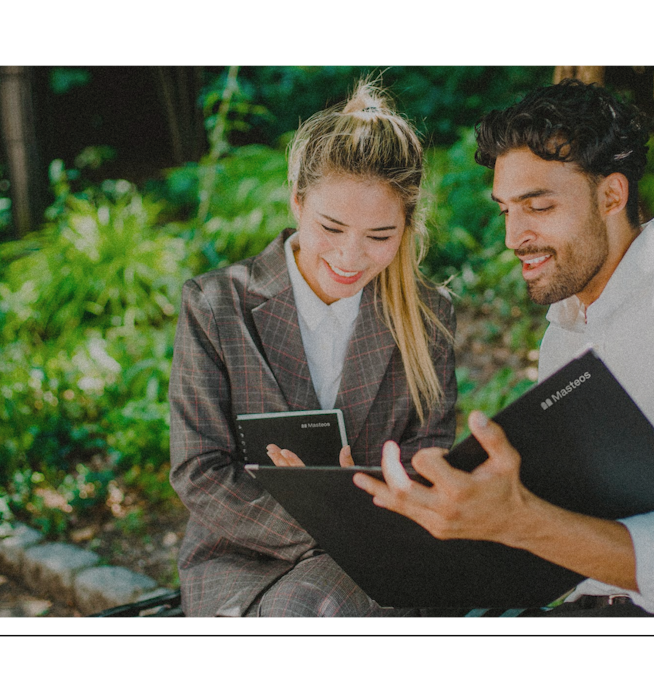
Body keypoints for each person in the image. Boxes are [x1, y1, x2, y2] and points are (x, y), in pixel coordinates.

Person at [356, 79, 654, 618]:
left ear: (612, 195)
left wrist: (519, 518)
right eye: (506, 210)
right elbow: (564, 526)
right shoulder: (565, 332)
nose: (514, 237)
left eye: (537, 207)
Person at [168, 80, 458, 618]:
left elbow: (428, 457)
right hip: (241, 559)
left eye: (379, 235)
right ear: (296, 201)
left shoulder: (428, 315)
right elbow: (200, 469)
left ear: (407, 226)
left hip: (375, 554)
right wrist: (329, 525)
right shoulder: (215, 305)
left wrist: (359, 519)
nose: (351, 256)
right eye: (331, 227)